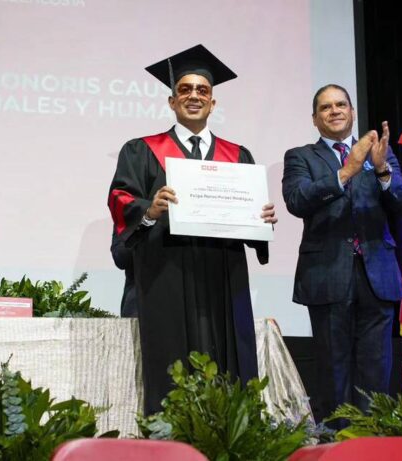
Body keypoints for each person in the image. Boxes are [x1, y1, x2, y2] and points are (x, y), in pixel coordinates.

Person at [107, 44, 277, 415]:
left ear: (213, 103)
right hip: (166, 276)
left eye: (203, 90)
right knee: (171, 371)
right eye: (185, 89)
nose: (194, 96)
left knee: (229, 368)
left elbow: (249, 226)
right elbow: (121, 199)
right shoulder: (142, 151)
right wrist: (148, 209)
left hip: (223, 278)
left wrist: (259, 221)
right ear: (172, 101)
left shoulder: (238, 156)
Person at [282, 84, 402, 423]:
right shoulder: (300, 156)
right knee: (333, 370)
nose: (335, 111)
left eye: (341, 104)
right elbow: (298, 200)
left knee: (375, 370)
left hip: (377, 276)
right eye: (326, 107)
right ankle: (334, 444)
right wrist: (347, 170)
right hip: (327, 275)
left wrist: (382, 170)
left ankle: (369, 443)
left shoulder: (380, 153)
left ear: (353, 112)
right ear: (315, 118)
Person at [110, 230, 137, 317]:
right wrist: (147, 221)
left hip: (177, 298)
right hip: (140, 305)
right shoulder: (131, 217)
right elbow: (121, 258)